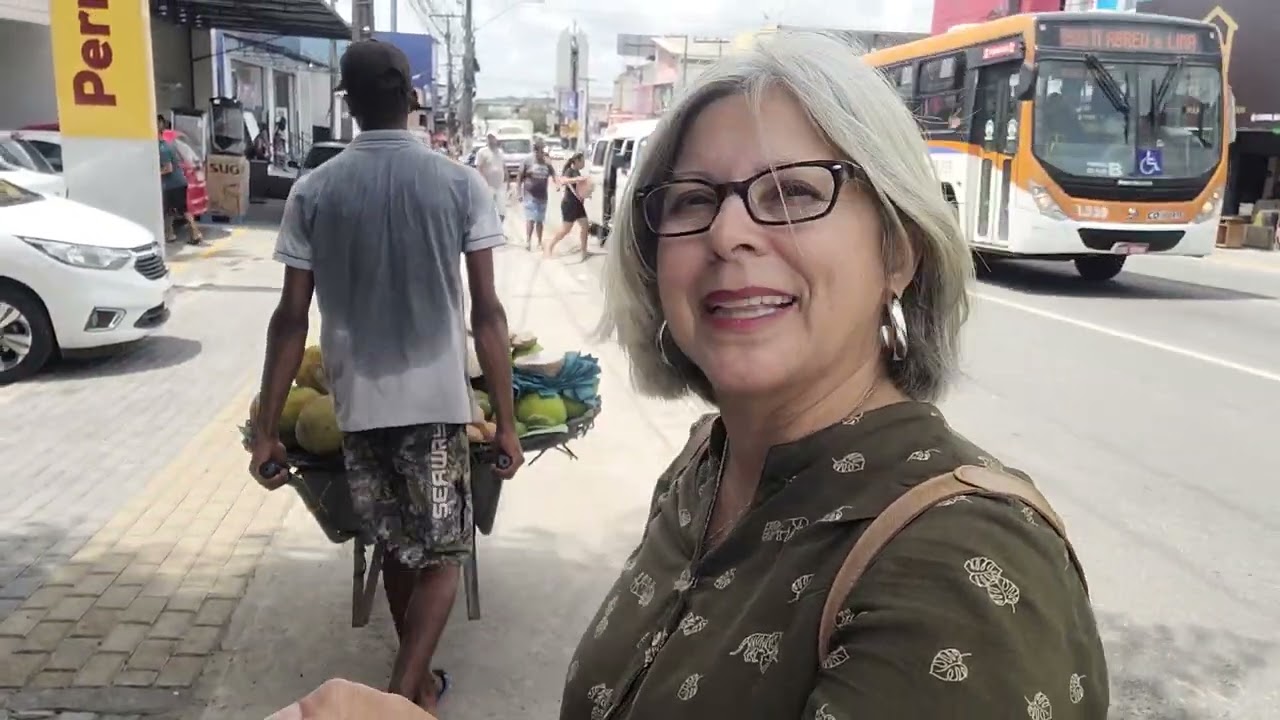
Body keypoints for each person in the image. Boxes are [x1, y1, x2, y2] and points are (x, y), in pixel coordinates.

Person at [274, 31, 1108, 720]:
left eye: (792, 191)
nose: (731, 232)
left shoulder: (963, 569)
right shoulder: (702, 471)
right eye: (691, 200)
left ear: (898, 250)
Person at [248, 38, 525, 714]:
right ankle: (401, 696)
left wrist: (265, 431)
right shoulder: (459, 183)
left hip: (358, 405)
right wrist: (509, 424)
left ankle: (418, 688)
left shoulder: (315, 189)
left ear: (348, 104)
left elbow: (290, 319)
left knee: (399, 548)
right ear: (411, 96)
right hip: (435, 402)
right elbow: (487, 311)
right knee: (444, 554)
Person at [157, 118, 204, 245]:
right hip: (177, 183)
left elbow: (168, 168)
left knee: (182, 210)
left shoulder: (162, 149)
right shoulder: (169, 144)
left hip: (173, 184)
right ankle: (169, 234)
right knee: (170, 210)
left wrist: (155, 174)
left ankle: (195, 233)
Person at [543, 152, 591, 261]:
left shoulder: (577, 171)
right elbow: (563, 180)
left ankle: (584, 251)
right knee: (565, 230)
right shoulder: (569, 171)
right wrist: (577, 179)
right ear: (577, 161)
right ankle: (549, 247)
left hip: (578, 204)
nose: (584, 163)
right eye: (582, 161)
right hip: (569, 204)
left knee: (585, 226)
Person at [516, 139, 555, 251]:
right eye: (540, 150)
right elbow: (519, 177)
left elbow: (553, 174)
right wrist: (519, 193)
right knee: (531, 219)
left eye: (543, 150)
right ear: (535, 151)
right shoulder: (527, 160)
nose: (542, 153)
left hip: (542, 195)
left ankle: (539, 242)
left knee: (540, 220)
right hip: (529, 195)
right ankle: (528, 241)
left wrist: (558, 183)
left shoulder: (547, 162)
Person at [474, 134, 508, 223]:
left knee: (501, 212)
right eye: (489, 138)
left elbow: (503, 167)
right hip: (488, 186)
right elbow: (478, 168)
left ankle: (500, 230)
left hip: (500, 186)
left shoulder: (500, 152)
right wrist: (482, 183)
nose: (491, 140)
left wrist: (507, 182)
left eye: (493, 138)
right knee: (488, 211)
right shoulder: (482, 152)